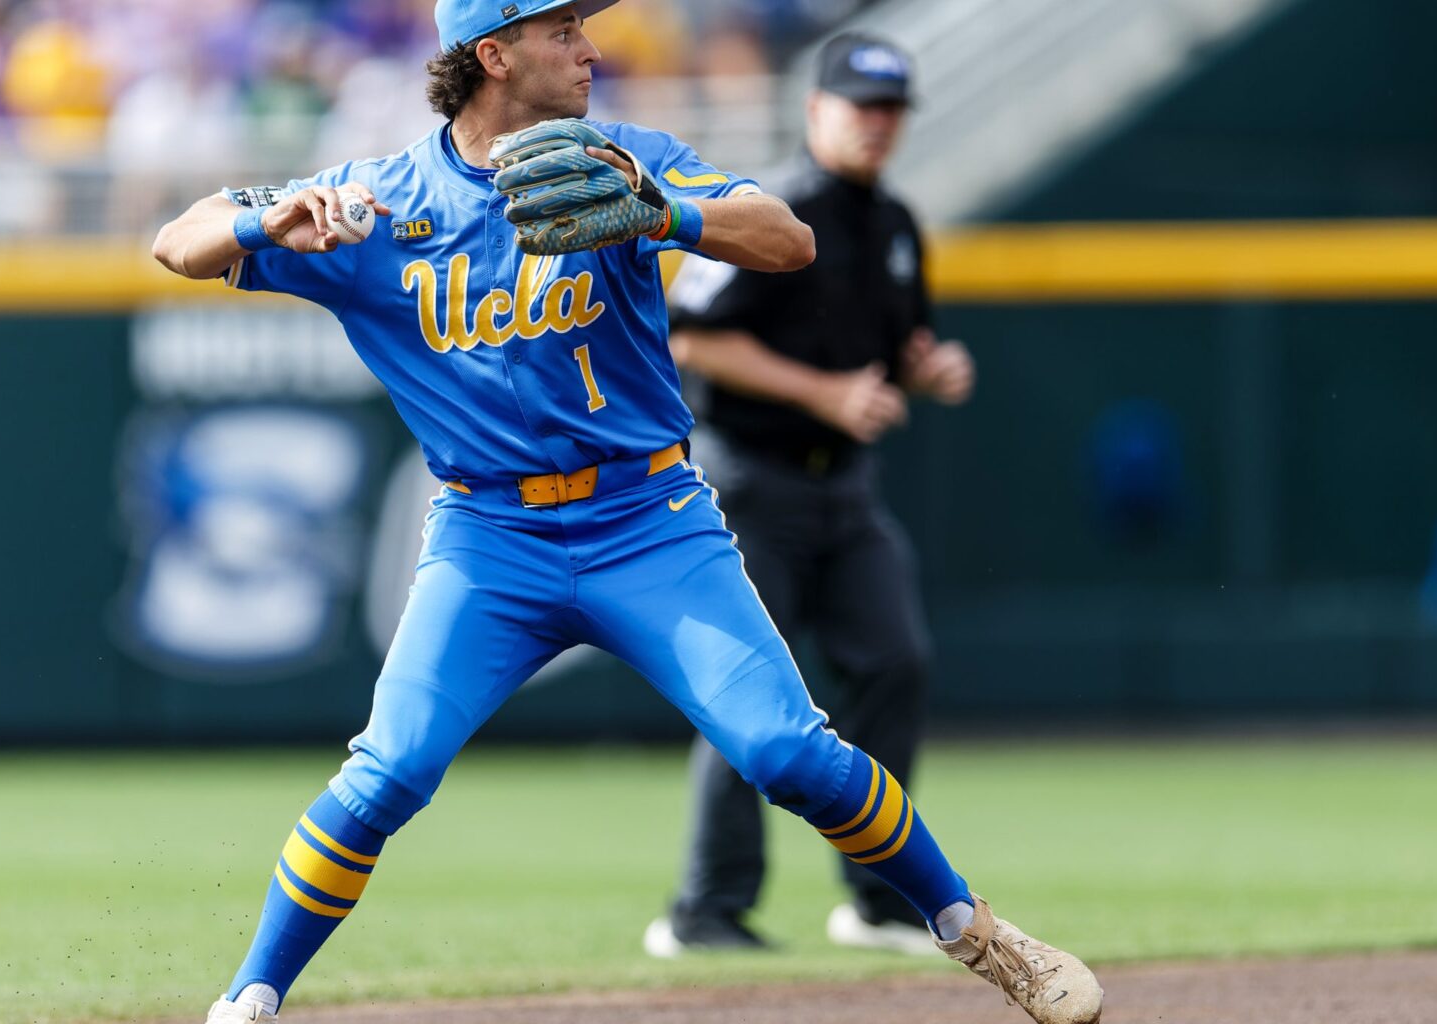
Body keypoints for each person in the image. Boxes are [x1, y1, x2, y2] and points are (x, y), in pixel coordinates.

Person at [150, 2, 1102, 1022]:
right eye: (562, 30)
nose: (592, 47)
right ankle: (250, 997)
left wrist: (660, 212)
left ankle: (980, 935)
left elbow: (786, 239)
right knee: (390, 771)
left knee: (786, 751)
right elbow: (177, 242)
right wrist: (267, 221)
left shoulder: (626, 158)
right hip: (490, 538)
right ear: (493, 53)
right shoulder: (380, 201)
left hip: (648, 517)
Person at [645, 32, 977, 960]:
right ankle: (705, 911)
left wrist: (928, 369)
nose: (876, 124)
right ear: (815, 109)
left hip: (845, 490)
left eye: (890, 108)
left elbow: (898, 346)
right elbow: (691, 337)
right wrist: (824, 392)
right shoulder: (764, 211)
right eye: (860, 105)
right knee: (749, 694)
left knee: (897, 660)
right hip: (751, 480)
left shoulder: (895, 223)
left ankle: (875, 899)